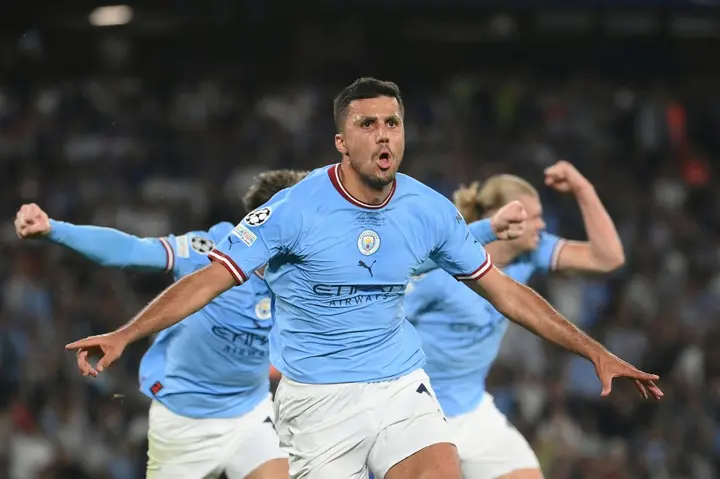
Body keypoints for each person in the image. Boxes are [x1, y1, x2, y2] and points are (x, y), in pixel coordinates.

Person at [64, 77, 662, 479]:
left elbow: (505, 291)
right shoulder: (295, 209)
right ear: (342, 140)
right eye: (369, 123)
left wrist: (593, 351)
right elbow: (208, 280)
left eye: (393, 123)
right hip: (317, 402)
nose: (384, 135)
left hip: (401, 386)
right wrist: (125, 334)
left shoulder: (428, 209)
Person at [14, 169, 308, 479]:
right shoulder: (210, 252)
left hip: (249, 414)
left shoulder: (304, 277)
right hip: (184, 419)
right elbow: (131, 250)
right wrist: (55, 231)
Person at [404, 163, 631, 479]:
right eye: (532, 215)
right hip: (418, 417)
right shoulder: (440, 270)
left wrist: (583, 188)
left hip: (473, 411)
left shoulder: (530, 252)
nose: (542, 223)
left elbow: (608, 257)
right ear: (498, 213)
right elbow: (381, 322)